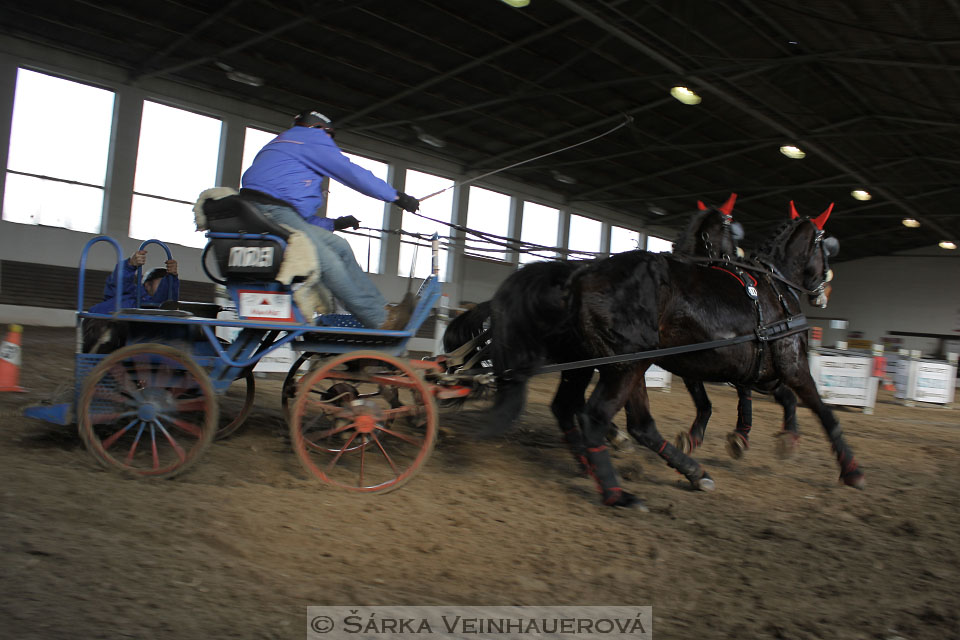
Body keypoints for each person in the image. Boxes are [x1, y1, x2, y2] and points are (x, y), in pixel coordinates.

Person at [240, 110, 421, 330]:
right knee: (326, 258)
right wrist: (395, 196)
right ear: (321, 129)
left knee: (340, 246)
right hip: (269, 211)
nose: (330, 143)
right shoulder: (310, 137)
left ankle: (382, 310)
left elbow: (297, 220)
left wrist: (334, 224)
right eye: (330, 136)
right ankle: (379, 319)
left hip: (271, 213)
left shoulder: (284, 144)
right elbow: (350, 172)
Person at [89, 249, 179, 314]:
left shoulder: (160, 306)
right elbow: (118, 284)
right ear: (147, 285)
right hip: (101, 324)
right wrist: (129, 265)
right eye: (161, 281)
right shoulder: (129, 294)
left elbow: (166, 298)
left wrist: (172, 277)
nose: (163, 285)